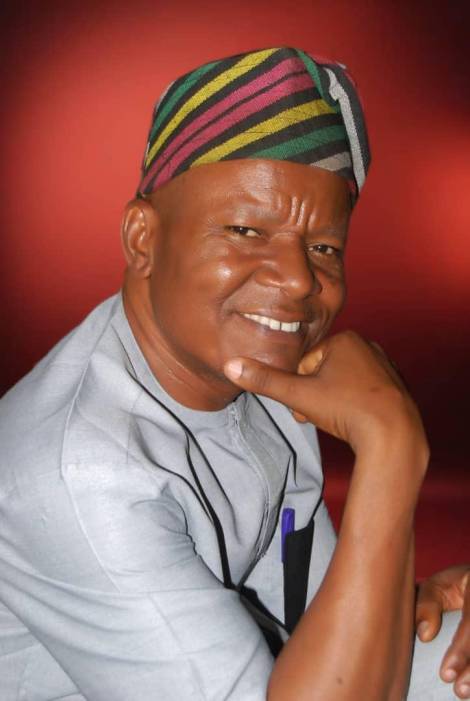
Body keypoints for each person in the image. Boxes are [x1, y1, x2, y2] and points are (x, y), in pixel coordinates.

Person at [0, 46, 468, 700]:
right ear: (142, 238)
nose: (299, 280)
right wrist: (391, 450)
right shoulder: (81, 474)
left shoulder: (256, 370)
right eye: (247, 230)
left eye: (324, 246)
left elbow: (311, 613)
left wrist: (412, 601)